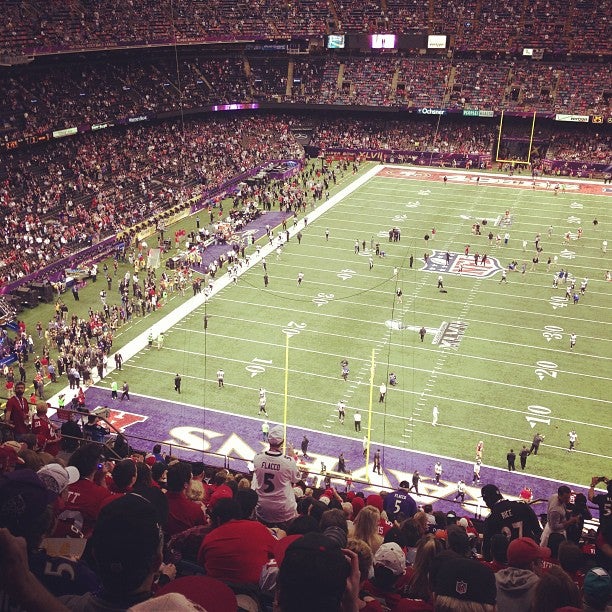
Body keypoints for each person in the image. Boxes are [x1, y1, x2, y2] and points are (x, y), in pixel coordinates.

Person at [252, 425, 299, 527]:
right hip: (283, 510)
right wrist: (293, 457)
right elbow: (296, 479)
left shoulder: (258, 458)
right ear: (282, 442)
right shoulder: (288, 462)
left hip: (262, 508)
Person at [481, 484, 543, 561]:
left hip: (506, 561)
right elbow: (538, 531)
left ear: (486, 500)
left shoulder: (491, 518)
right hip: (528, 557)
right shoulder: (522, 506)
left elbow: (486, 550)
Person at [495, 537, 550, 612]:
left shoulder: (493, 581)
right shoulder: (541, 589)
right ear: (533, 565)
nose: (542, 565)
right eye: (541, 562)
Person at [587, 477, 611, 570]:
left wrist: (593, 485)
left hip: (603, 534)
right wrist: (606, 481)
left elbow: (591, 497)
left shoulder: (603, 498)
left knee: (600, 564)